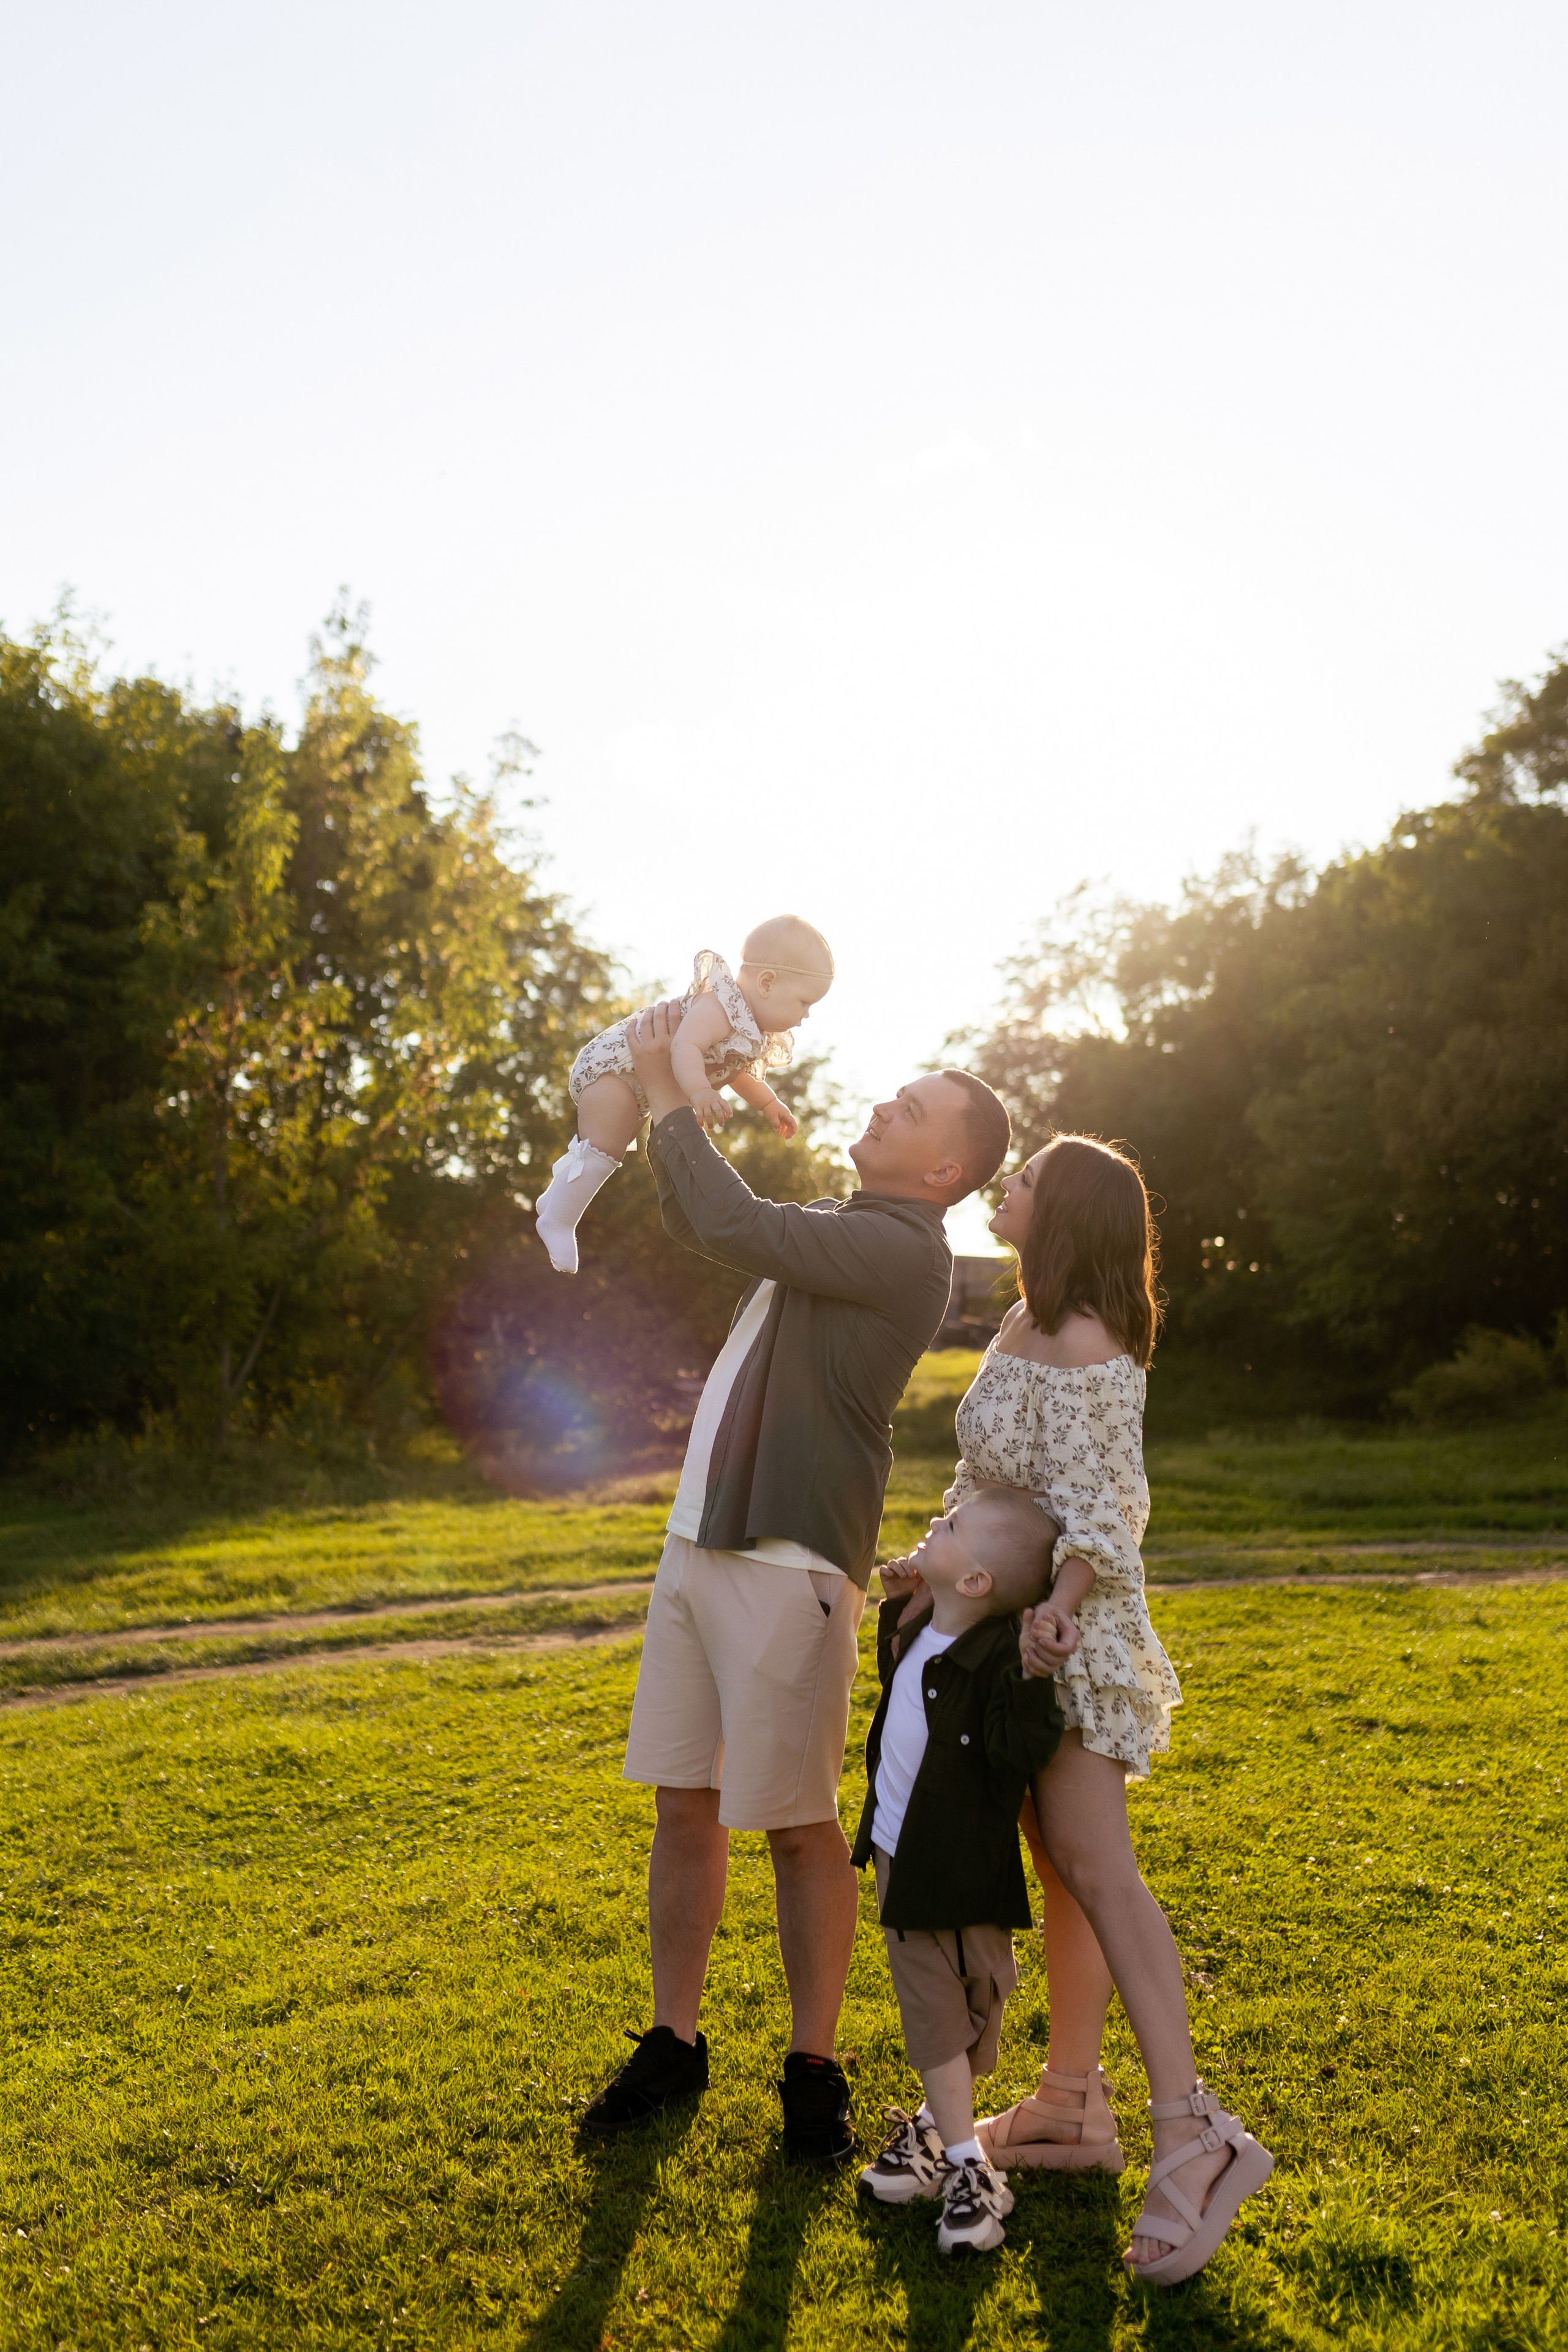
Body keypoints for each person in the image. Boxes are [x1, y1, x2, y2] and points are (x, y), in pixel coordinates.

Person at [579, 1001, 1011, 2161]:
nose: (884, 1104)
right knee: (685, 1803)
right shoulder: (836, 1222)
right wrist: (685, 1093)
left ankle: (810, 2069)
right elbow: (703, 1215)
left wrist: (675, 1084)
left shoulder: (902, 1251)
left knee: (798, 1828)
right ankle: (675, 2043)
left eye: (911, 1109)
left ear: (947, 1166)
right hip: (697, 1540)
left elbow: (722, 1213)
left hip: (793, 1563)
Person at [882, 1133, 1273, 2283]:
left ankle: (1195, 2132)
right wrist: (928, 1563)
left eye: (1025, 1183)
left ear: (1064, 1217)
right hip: (1004, 1632)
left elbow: (1108, 1501)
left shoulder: (1090, 1341)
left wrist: (1057, 1607)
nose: (1005, 1188)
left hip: (1074, 1636)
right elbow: (991, 1486)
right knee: (1059, 1864)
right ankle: (1066, 2107)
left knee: (1097, 1867)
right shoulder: (1015, 1323)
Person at [851, 1485, 1064, 2254]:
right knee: (933, 2009)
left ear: (974, 1582)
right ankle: (973, 2170)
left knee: (980, 2004)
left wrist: (1038, 1678)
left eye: (947, 1525)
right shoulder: (922, 1630)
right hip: (899, 1858)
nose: (930, 1525)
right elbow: (897, 1691)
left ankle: (933, 2130)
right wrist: (899, 1600)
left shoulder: (997, 1660)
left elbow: (1016, 1753)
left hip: (967, 1865)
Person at [533, 914, 834, 1273]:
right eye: (804, 1003)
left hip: (640, 1083)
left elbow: (737, 1072)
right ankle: (559, 1221)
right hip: (616, 1069)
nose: (807, 1015)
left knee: (609, 1142)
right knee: (605, 1145)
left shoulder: (746, 1028)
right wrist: (700, 1091)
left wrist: (770, 1102)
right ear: (767, 983)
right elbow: (685, 1047)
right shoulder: (719, 1006)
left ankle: (555, 1201)